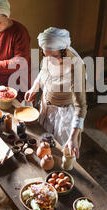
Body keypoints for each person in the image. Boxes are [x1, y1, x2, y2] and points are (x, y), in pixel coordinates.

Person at [24, 27, 87, 159]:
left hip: (63, 115)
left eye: (55, 56)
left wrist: (74, 137)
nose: (50, 59)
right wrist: (34, 88)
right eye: (46, 55)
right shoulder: (49, 55)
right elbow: (43, 72)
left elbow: (80, 106)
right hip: (47, 107)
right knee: (44, 145)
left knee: (60, 153)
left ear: (64, 51)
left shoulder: (75, 67)